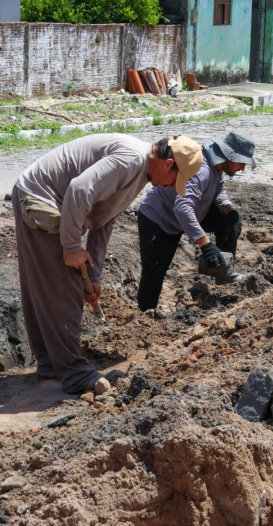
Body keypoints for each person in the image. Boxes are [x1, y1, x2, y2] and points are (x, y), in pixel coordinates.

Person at [13, 133, 203, 394]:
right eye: (174, 182)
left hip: (38, 193)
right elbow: (79, 189)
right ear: (168, 165)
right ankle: (74, 373)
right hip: (40, 196)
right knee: (63, 284)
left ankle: (51, 362)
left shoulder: (141, 171)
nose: (169, 188)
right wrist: (71, 247)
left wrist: (94, 275)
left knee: (47, 284)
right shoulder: (131, 160)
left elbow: (104, 217)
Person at [136, 131, 257, 312]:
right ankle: (145, 317)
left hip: (189, 212)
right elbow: (182, 207)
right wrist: (205, 245)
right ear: (230, 156)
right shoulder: (202, 169)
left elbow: (218, 187)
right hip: (160, 219)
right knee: (154, 273)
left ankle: (221, 270)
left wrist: (227, 208)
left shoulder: (218, 166)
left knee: (230, 221)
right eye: (242, 163)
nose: (242, 168)